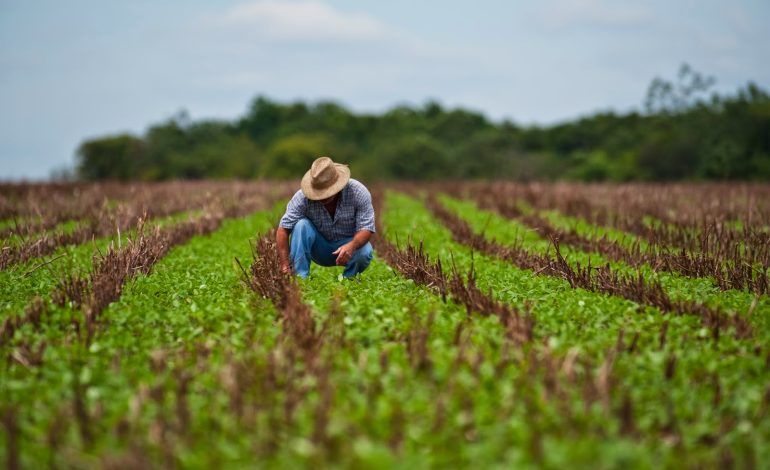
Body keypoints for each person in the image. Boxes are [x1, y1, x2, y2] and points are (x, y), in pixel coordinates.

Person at [277, 156, 375, 278]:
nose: (323, 197)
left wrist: (352, 245)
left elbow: (366, 228)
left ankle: (349, 280)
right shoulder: (302, 198)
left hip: (348, 245)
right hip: (319, 248)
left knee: (364, 251)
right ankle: (300, 279)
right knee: (301, 225)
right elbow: (283, 229)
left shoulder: (358, 192)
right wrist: (285, 265)